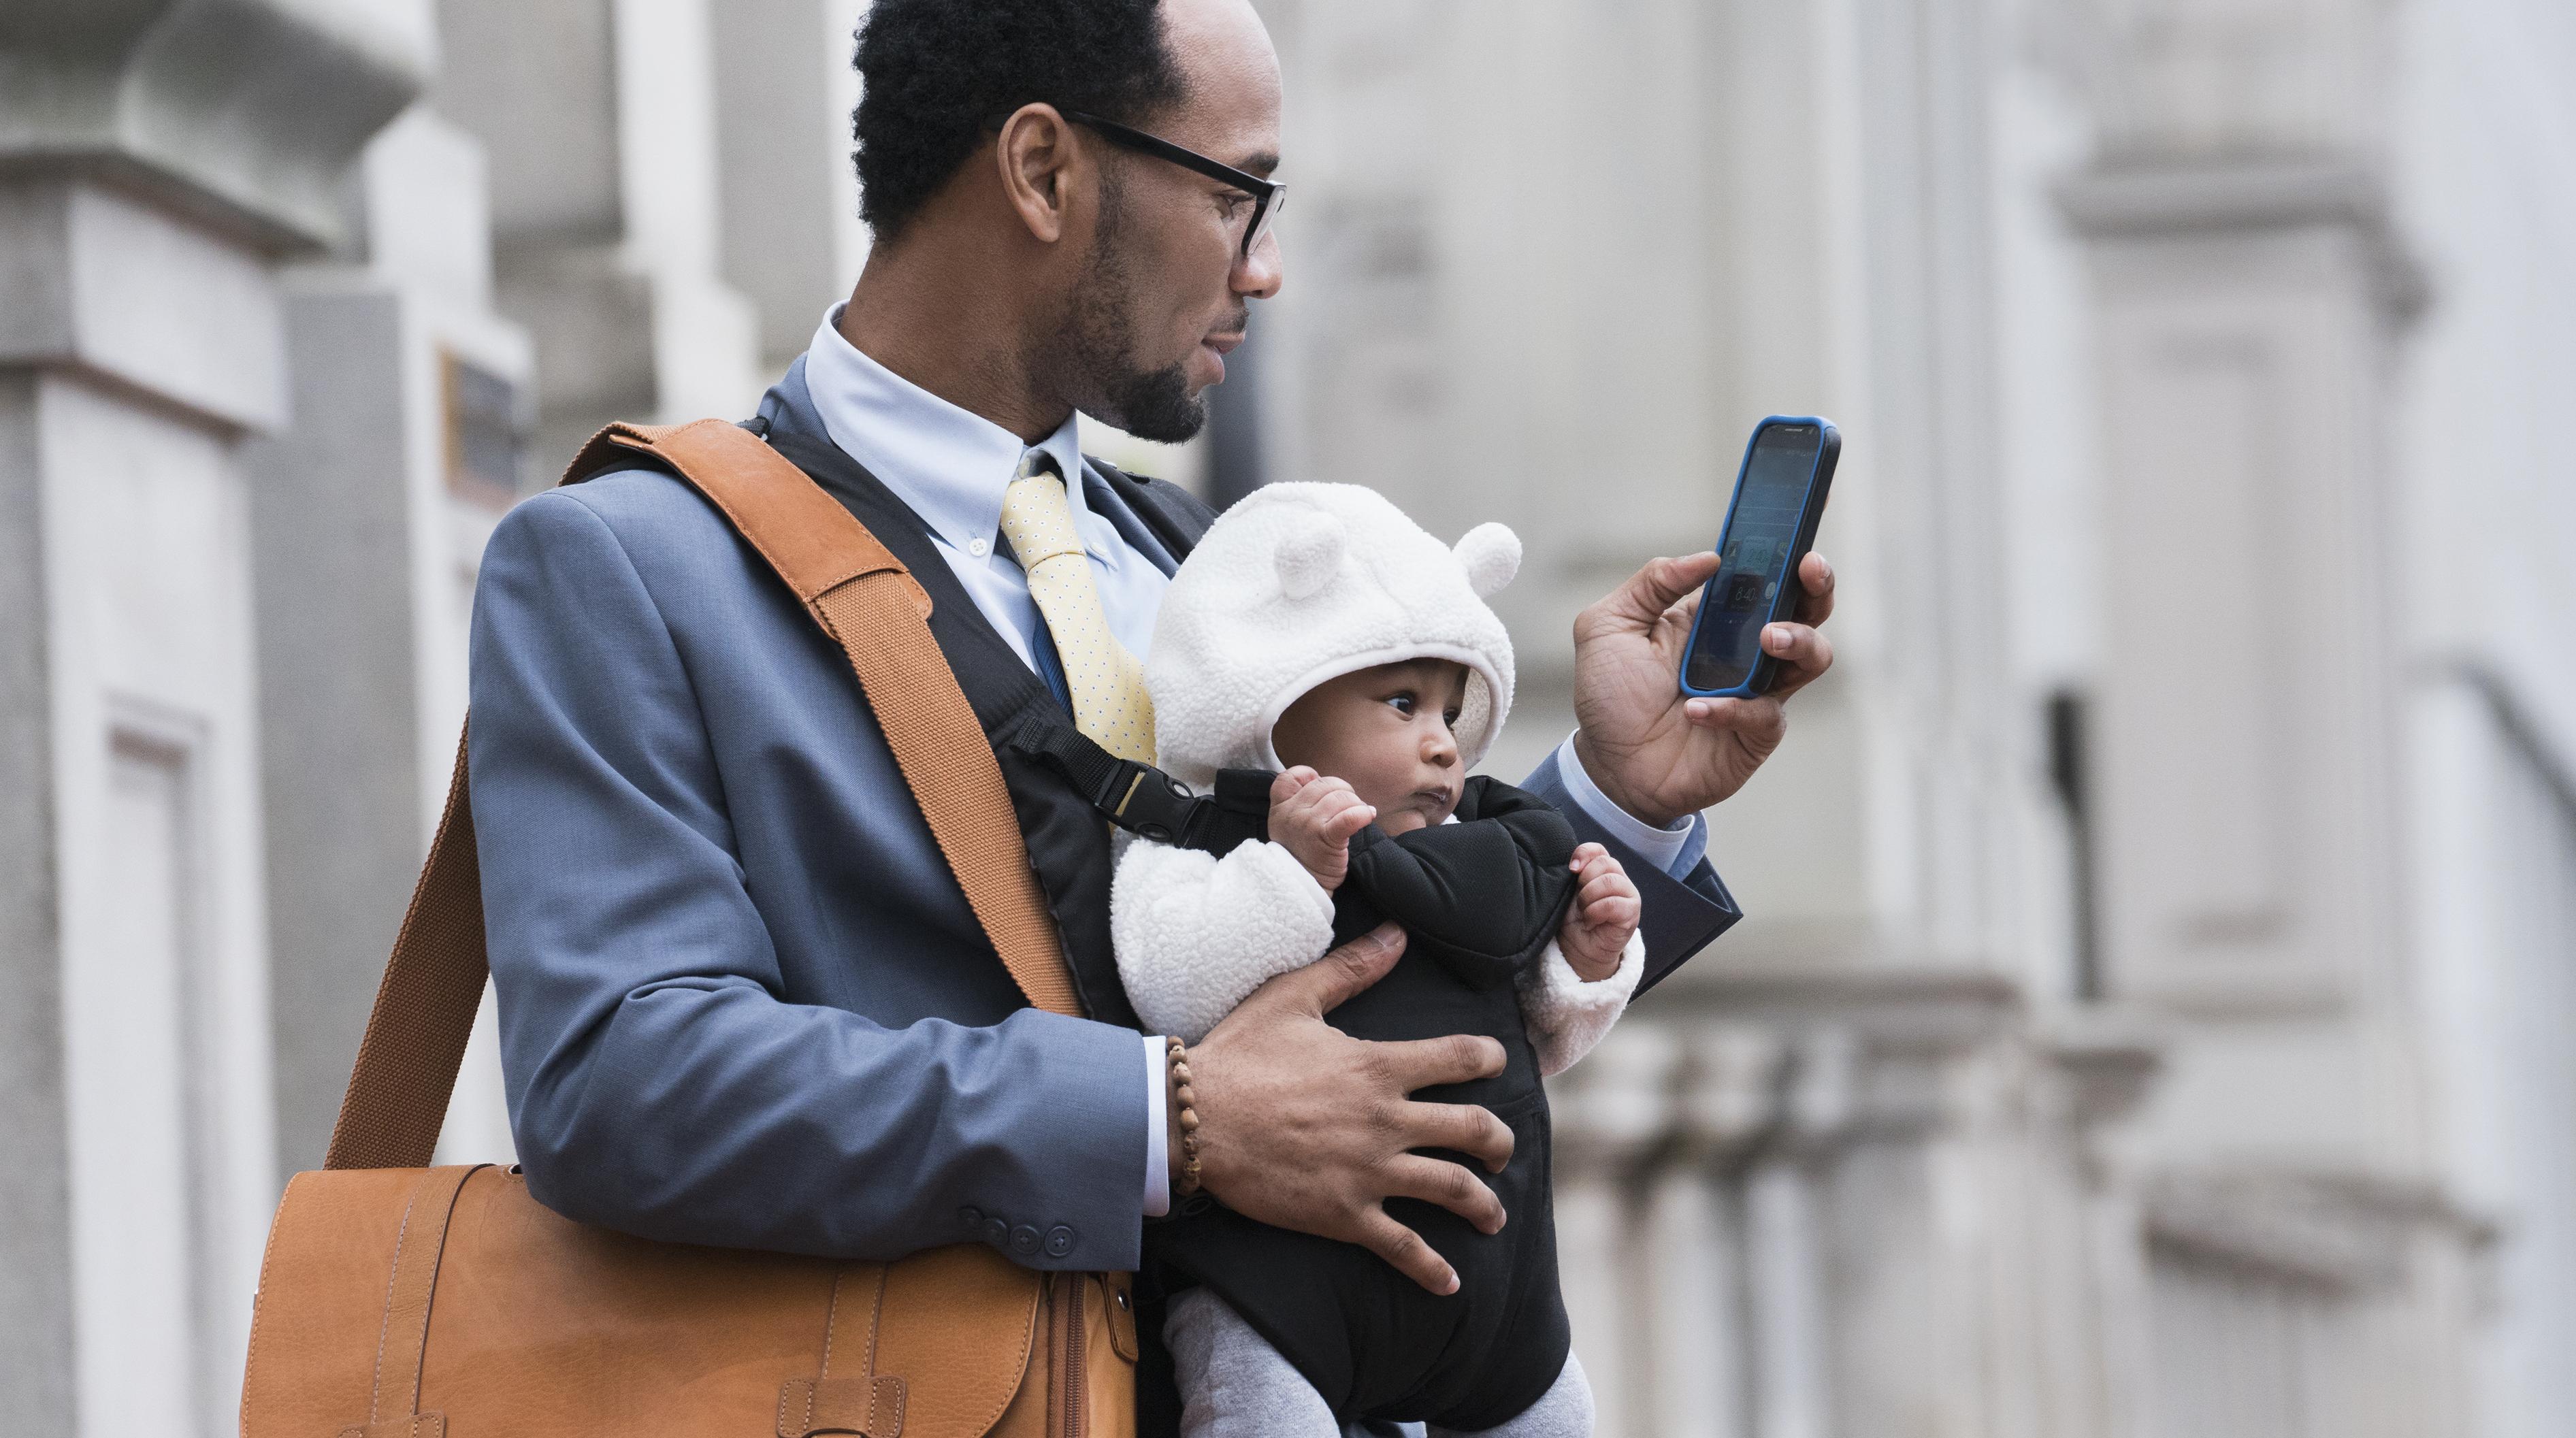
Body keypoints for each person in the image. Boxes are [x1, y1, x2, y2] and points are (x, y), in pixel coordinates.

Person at [465, 0, 1837, 1428]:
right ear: (1046, 172)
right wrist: (1168, 1118)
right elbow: (621, 1079)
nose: (1271, 267)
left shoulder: (1202, 564)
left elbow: (1377, 953)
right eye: (1237, 194)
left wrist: (1619, 800)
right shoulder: (631, 563)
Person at [1113, 485, 1640, 1435]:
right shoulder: (1205, 847)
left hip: (1497, 1299)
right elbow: (1168, 982)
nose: (1442, 742)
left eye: (1449, 705)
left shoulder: (1481, 853)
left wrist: (1584, 960)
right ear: (1276, 696)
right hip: (1283, 1291)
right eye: (1400, 702)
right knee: (1258, 1403)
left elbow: (1529, 1037)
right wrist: (1289, 880)